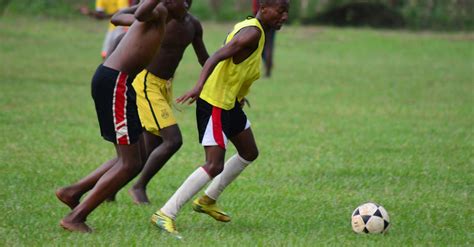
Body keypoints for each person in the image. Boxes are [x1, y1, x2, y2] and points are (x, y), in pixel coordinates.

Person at [151, 0, 290, 238]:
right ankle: (165, 213)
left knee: (249, 152)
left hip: (230, 103)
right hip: (215, 103)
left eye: (287, 12)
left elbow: (234, 67)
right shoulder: (252, 33)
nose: (284, 16)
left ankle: (207, 200)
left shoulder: (255, 29)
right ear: (264, 8)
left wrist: (238, 95)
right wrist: (198, 87)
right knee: (213, 164)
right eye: (280, 11)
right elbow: (216, 56)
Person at [55, 0, 189, 233]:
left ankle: (72, 192)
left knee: (131, 158)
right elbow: (143, 10)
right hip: (117, 82)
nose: (187, 6)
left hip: (118, 82)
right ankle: (75, 218)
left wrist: (140, 14)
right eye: (184, 0)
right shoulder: (158, 11)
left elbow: (118, 17)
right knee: (130, 163)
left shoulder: (158, 17)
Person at [99, 0, 210, 205]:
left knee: (145, 149)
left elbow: (204, 59)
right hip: (145, 83)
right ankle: (138, 186)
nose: (186, 4)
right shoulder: (158, 15)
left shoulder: (192, 25)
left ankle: (109, 189)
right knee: (172, 140)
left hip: (164, 86)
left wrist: (222, 84)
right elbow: (123, 26)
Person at [253, 0, 277, 77]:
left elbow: (255, 8)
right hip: (273, 18)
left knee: (261, 44)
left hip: (261, 19)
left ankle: (267, 65)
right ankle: (268, 69)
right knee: (269, 44)